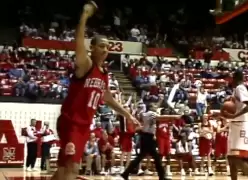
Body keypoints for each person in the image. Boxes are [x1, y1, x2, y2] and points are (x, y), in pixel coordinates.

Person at [51, 2, 139, 180]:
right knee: (74, 169)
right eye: (101, 46)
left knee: (62, 169)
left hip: (84, 126)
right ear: (92, 48)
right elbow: (78, 44)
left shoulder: (104, 73)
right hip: (71, 122)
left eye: (107, 47)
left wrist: (128, 115)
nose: (105, 50)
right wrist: (83, 18)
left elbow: (108, 99)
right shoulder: (86, 65)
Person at [121, 103, 180, 180]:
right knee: (152, 157)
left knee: (146, 157)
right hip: (148, 137)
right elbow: (160, 117)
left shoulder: (144, 114)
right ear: (150, 107)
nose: (156, 107)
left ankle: (126, 173)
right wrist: (174, 116)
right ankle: (161, 176)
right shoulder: (151, 113)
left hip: (145, 136)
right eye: (154, 106)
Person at [222, 70, 248, 180]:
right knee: (231, 159)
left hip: (241, 126)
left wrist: (235, 116)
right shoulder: (236, 89)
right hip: (235, 125)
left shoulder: (240, 88)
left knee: (238, 159)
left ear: (235, 78)